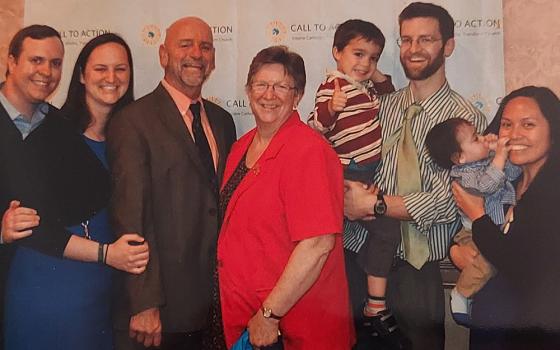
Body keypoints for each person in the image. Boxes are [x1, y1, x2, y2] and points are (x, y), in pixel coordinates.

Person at [343, 3, 487, 349]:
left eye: (426, 39)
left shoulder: (467, 121)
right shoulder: (379, 107)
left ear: (448, 45)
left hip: (417, 271)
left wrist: (374, 204)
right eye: (406, 40)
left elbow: (446, 201)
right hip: (359, 259)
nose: (413, 49)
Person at [0, 26, 149, 349]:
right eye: (100, 68)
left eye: (120, 68)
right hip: (49, 283)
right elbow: (29, 223)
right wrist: (107, 254)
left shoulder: (135, 138)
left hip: (104, 288)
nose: (111, 77)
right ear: (81, 75)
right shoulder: (48, 130)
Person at [107, 17, 236, 350]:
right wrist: (144, 302)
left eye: (205, 46)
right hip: (161, 311)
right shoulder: (132, 122)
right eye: (185, 45)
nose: (196, 54)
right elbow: (130, 217)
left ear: (213, 58)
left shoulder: (221, 121)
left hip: (213, 304)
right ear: (163, 55)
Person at [217, 45, 353, 350]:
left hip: (289, 326)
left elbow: (317, 245)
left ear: (298, 96)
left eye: (281, 86)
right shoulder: (241, 147)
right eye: (261, 84)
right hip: (245, 322)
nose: (269, 94)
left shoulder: (310, 151)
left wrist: (269, 313)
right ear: (248, 89)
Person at [307, 18, 403, 348]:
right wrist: (331, 111)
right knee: (338, 238)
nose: (365, 64)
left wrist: (372, 74)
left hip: (368, 175)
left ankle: (374, 302)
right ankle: (367, 303)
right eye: (358, 54)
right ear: (336, 52)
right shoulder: (332, 87)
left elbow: (390, 93)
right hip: (347, 174)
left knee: (386, 230)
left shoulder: (365, 87)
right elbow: (315, 126)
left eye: (373, 57)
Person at [452, 86, 560, 350]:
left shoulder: (553, 190)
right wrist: (456, 249)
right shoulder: (508, 180)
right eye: (507, 124)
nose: (514, 134)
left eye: (528, 124)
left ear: (553, 130)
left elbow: (524, 266)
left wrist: (478, 217)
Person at [425, 118, 521, 325]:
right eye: (476, 138)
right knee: (487, 262)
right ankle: (460, 294)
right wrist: (499, 157)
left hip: (491, 231)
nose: (483, 138)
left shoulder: (485, 161)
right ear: (460, 157)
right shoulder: (463, 175)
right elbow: (487, 186)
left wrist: (503, 153)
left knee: (490, 261)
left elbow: (514, 173)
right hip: (471, 233)